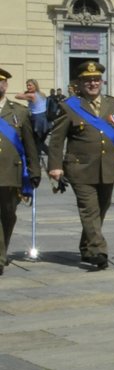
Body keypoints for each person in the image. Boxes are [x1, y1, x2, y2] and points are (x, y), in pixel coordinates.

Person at [47, 61, 114, 270]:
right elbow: (56, 140)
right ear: (79, 83)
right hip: (79, 169)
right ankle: (99, 251)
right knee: (89, 210)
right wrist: (55, 166)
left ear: (102, 81)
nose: (93, 83)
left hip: (108, 168)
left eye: (96, 79)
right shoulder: (70, 106)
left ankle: (87, 247)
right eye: (88, 80)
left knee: (100, 210)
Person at [0, 68, 40, 272]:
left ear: (5, 85)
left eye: (1, 82)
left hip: (12, 173)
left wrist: (35, 171)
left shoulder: (19, 112)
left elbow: (30, 145)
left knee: (8, 214)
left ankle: (2, 249)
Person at [24, 79, 48, 169]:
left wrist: (26, 93)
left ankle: (36, 164)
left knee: (36, 143)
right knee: (40, 142)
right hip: (43, 120)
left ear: (35, 85)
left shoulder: (32, 95)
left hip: (37, 121)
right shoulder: (42, 94)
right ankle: (52, 155)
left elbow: (17, 96)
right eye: (27, 85)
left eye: (30, 85)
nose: (28, 87)